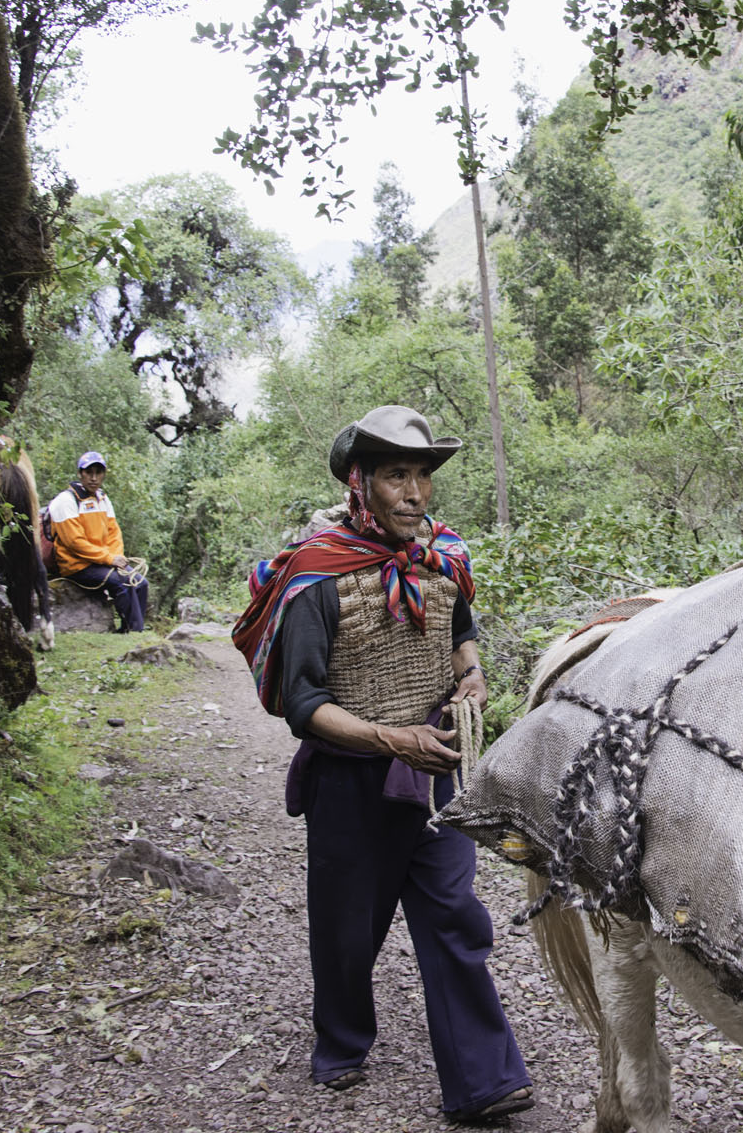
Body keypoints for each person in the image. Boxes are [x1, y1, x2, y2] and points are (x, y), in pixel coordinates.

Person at [231, 405, 534, 1124]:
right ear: (361, 483)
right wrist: (392, 739)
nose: (414, 493)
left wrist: (472, 677)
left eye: (422, 476)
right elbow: (302, 705)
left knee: (455, 915)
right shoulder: (317, 573)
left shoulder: (444, 557)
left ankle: (484, 1081)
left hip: (436, 773)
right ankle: (341, 1042)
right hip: (351, 780)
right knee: (348, 926)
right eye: (397, 475)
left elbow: (464, 633)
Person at [48, 450, 148, 633]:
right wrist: (109, 560)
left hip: (102, 562)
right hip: (78, 565)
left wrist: (117, 557)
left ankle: (131, 629)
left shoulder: (102, 498)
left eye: (98, 473)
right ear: (80, 474)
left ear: (103, 474)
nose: (94, 478)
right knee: (121, 582)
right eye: (89, 472)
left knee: (140, 583)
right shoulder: (65, 501)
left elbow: (114, 533)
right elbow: (74, 542)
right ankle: (134, 632)